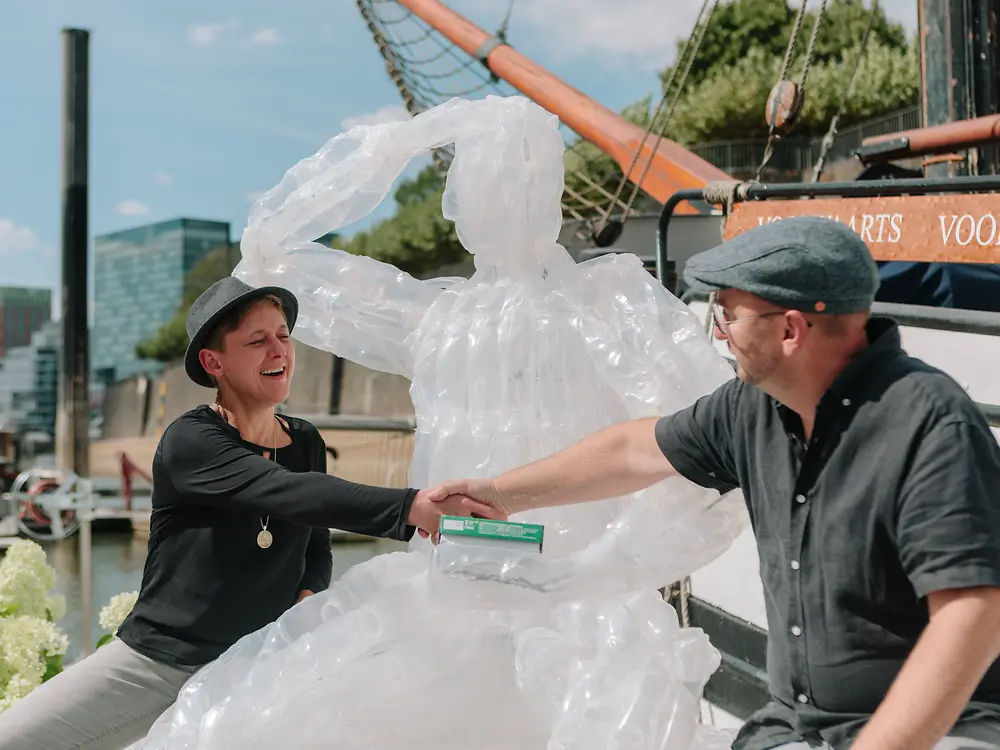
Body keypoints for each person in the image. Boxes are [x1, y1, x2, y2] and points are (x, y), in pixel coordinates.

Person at [429, 217, 1000, 750]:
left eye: (729, 314)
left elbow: (972, 613)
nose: (720, 334)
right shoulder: (753, 407)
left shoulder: (928, 424)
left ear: (792, 330)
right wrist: (495, 493)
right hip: (797, 726)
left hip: (935, 732)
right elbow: (633, 449)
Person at [0, 277, 502, 750]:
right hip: (161, 662)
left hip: (256, 667)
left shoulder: (304, 440)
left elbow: (315, 542)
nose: (279, 349)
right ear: (213, 362)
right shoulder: (191, 440)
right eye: (257, 340)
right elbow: (290, 492)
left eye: (284, 336)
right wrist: (411, 507)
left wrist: (308, 597)